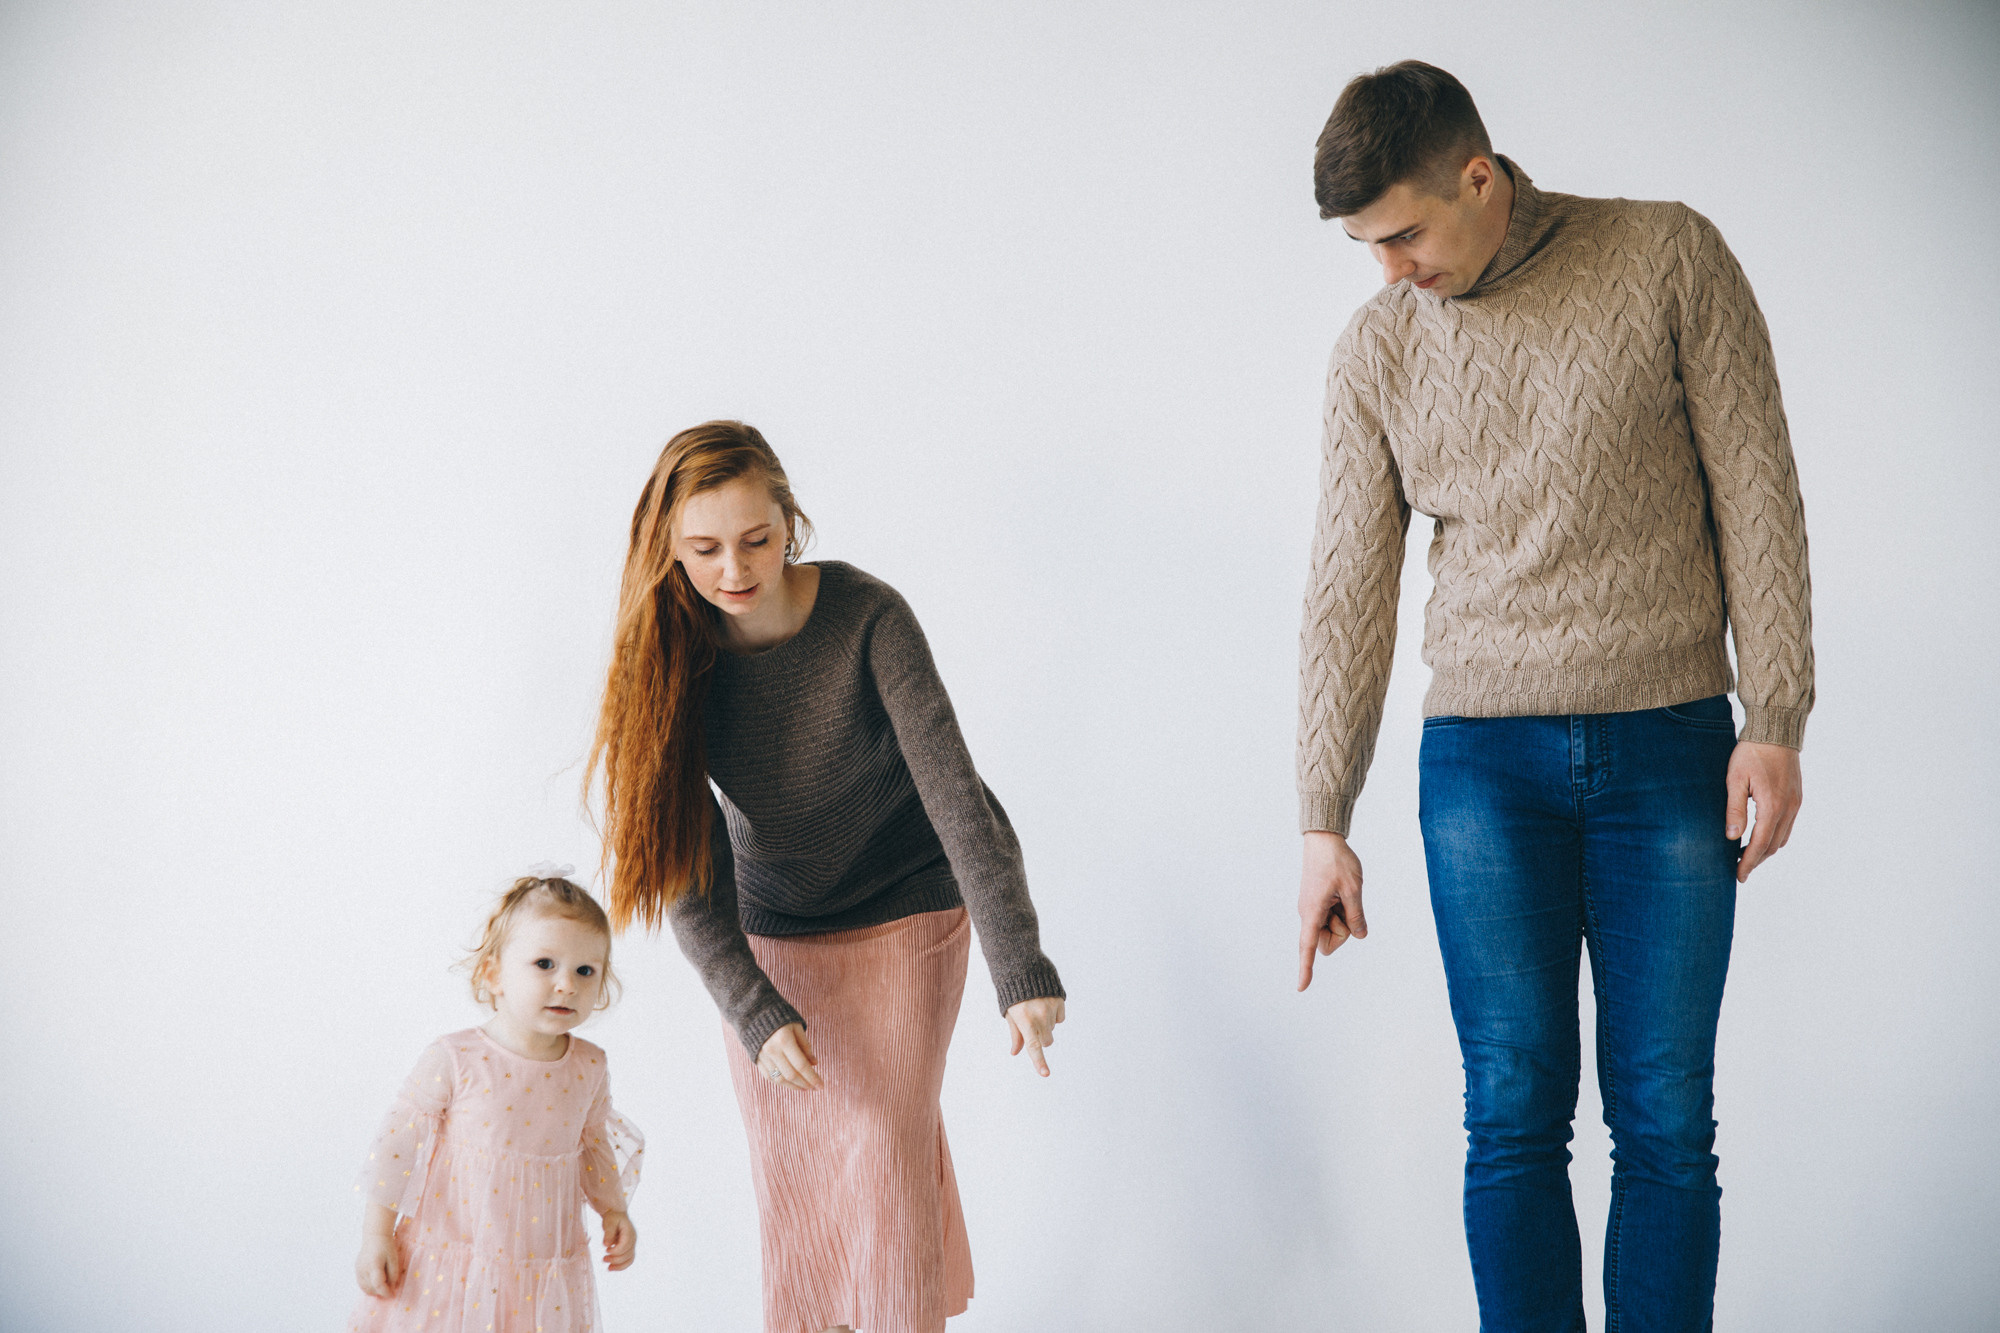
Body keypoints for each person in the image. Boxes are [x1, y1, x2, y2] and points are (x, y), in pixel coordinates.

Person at [1294, 61, 1814, 1331]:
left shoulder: (1667, 258)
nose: (1388, 270)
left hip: (1669, 747)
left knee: (1664, 1117)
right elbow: (1346, 588)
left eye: (1402, 235)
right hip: (1481, 766)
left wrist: (1774, 717)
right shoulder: (1376, 350)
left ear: (1477, 177)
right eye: (1365, 249)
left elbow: (1757, 492)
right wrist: (1321, 816)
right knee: (1512, 1114)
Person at [587, 420, 1066, 1333]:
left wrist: (1019, 964)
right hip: (774, 930)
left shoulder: (867, 616)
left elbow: (956, 795)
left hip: (907, 904)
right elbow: (688, 873)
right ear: (668, 547)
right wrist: (752, 1007)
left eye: (757, 538)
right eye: (705, 548)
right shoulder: (672, 658)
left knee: (884, 1137)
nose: (735, 567)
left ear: (790, 520)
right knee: (796, 1167)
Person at [349, 872, 644, 1333]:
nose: (567, 984)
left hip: (541, 1266)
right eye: (545, 964)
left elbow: (592, 1145)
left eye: (585, 971)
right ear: (494, 974)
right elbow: (396, 1149)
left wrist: (613, 1209)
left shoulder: (589, 1066)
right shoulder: (456, 1058)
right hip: (452, 1261)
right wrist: (376, 1234)